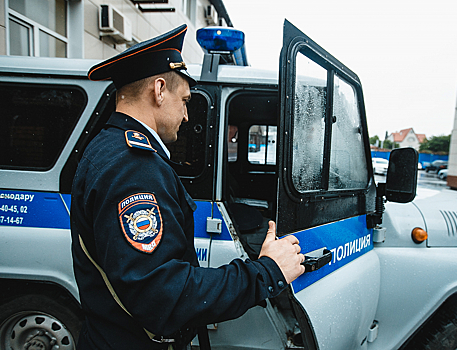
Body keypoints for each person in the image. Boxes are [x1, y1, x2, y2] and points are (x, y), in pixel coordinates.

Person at [70, 24, 305, 350]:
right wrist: (266, 272)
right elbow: (162, 295)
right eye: (184, 101)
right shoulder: (133, 166)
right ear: (159, 89)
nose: (185, 115)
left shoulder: (110, 148)